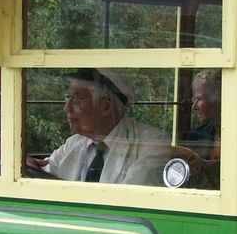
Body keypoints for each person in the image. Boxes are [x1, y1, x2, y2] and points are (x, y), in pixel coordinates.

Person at [40, 68, 170, 185]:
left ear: (106, 106)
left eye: (78, 100)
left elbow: (129, 199)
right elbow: (40, 174)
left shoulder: (152, 142)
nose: (67, 108)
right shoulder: (73, 143)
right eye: (68, 98)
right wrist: (26, 165)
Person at [183, 69, 221, 154]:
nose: (194, 107)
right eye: (194, 99)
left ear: (216, 100)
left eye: (199, 99)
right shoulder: (194, 137)